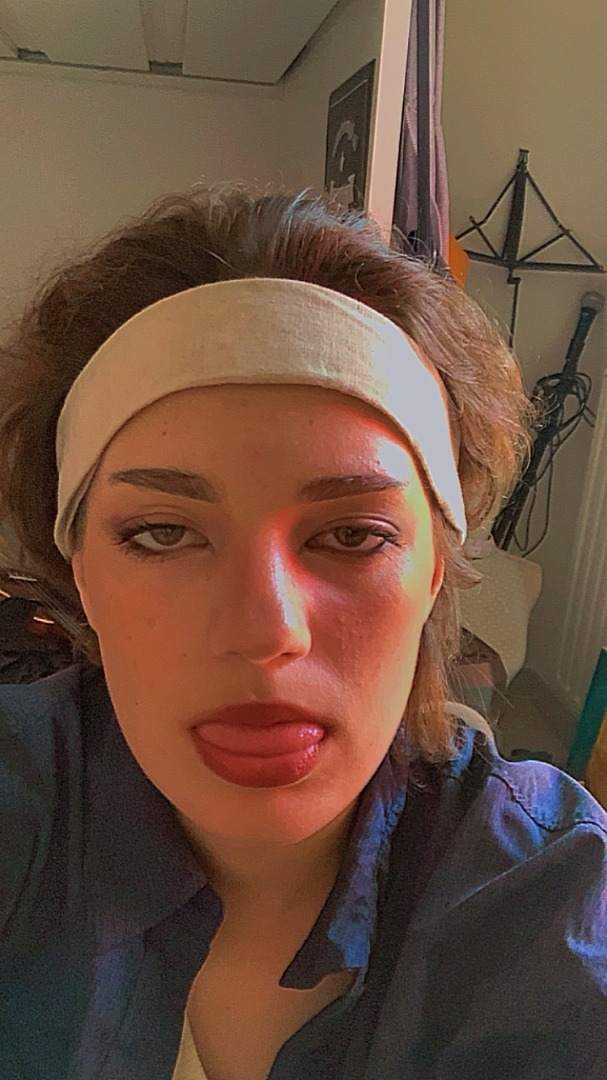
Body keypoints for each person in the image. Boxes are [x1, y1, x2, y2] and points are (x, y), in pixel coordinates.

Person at [0, 185, 605, 1080]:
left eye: (352, 535)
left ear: (435, 571)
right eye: (161, 532)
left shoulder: (550, 908)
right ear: (79, 567)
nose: (264, 631)